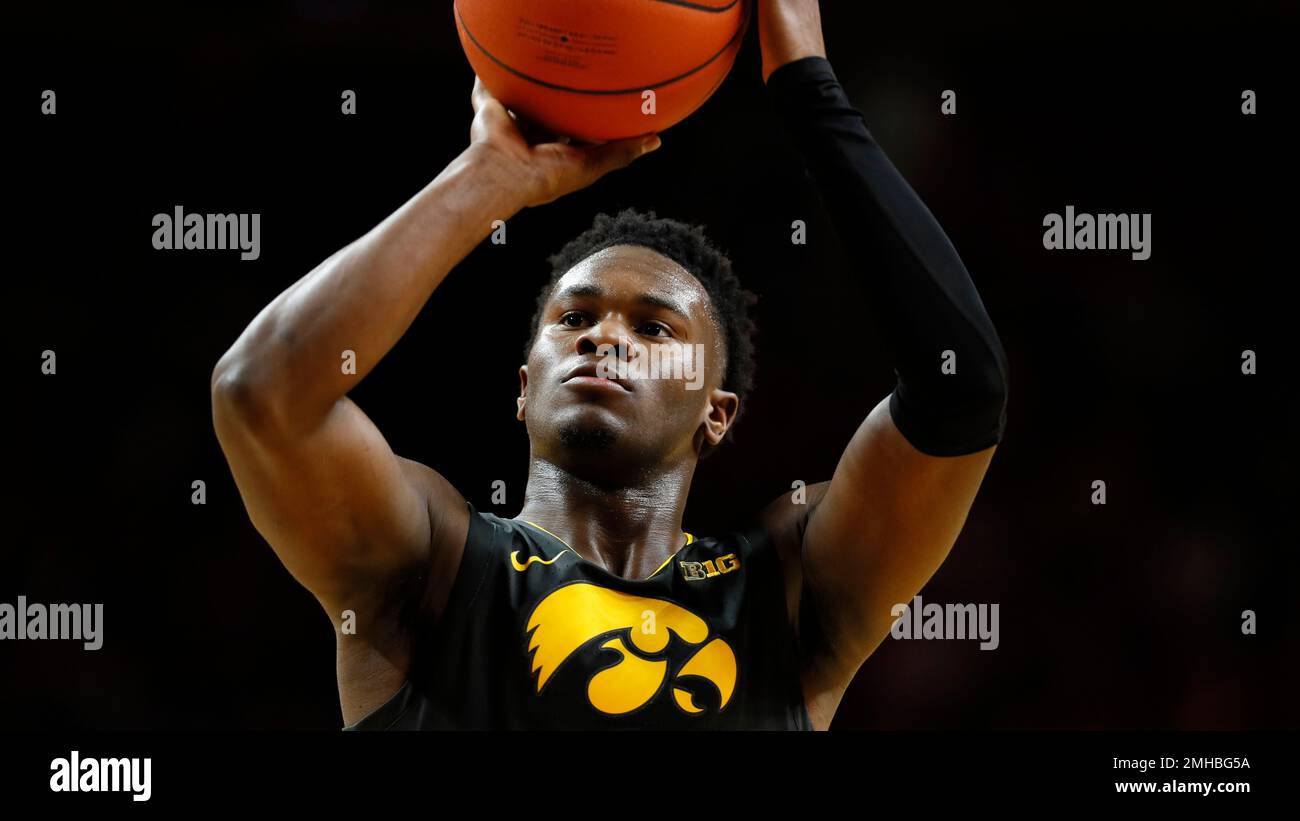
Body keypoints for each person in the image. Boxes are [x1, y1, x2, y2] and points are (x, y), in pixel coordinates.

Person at [210, 0, 1008, 730]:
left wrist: (810, 94)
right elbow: (263, 392)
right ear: (523, 388)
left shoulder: (784, 597)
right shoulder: (434, 564)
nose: (603, 337)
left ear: (716, 412)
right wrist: (489, 177)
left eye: (655, 327)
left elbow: (960, 389)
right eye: (575, 318)